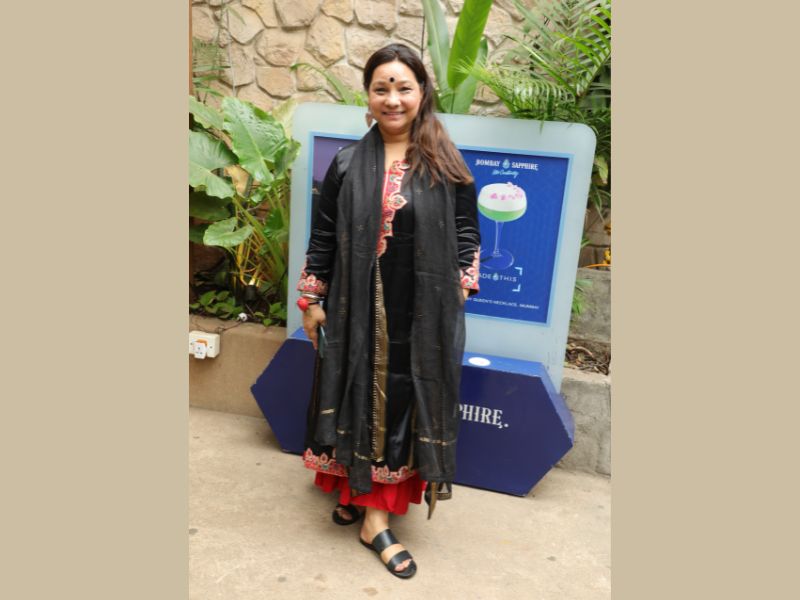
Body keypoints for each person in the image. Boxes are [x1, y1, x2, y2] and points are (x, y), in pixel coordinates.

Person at [295, 43, 481, 579]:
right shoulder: (347, 163)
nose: (393, 99)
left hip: (418, 318)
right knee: (353, 393)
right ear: (368, 96)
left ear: (422, 94)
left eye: (404, 88)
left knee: (398, 405)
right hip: (354, 310)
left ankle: (374, 516)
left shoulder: (446, 163)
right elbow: (324, 235)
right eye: (382, 88)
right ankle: (357, 498)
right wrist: (311, 298)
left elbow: (467, 233)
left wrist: (459, 287)